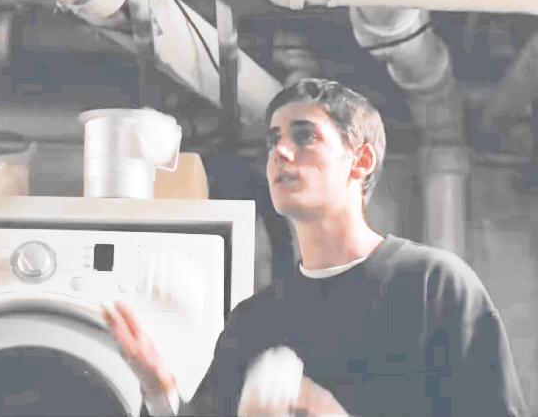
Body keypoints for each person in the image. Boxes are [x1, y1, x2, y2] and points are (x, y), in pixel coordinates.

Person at [103, 78, 528, 417]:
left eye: (305, 136)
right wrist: (160, 388)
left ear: (360, 161)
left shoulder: (435, 286)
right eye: (273, 140)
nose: (280, 152)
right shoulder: (254, 321)